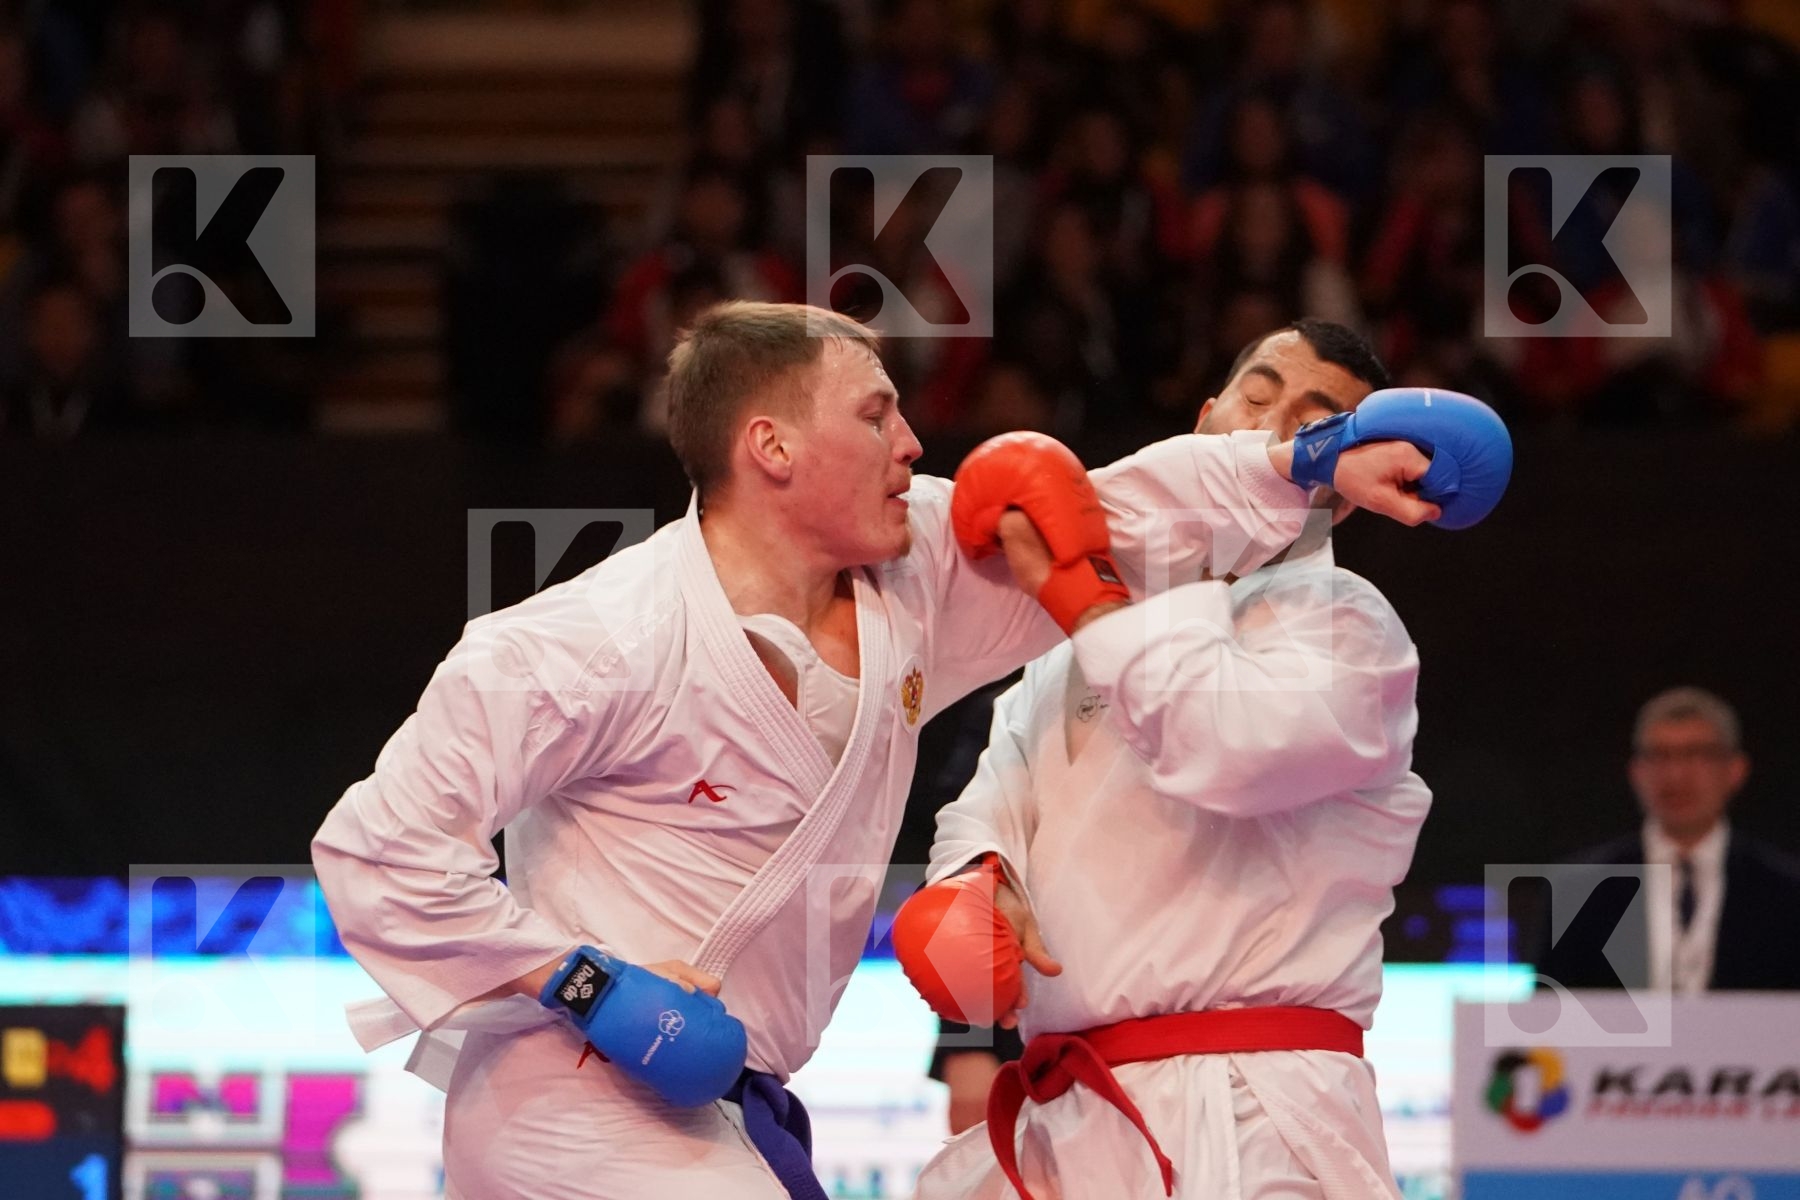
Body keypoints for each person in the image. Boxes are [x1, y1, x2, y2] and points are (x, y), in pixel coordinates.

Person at [311, 301, 1446, 1200]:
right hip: (570, 1092)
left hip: (723, 1097)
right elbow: (376, 850)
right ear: (773, 446)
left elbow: (1097, 518)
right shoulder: (580, 645)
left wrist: (1305, 469)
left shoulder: (913, 582)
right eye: (876, 415)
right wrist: (584, 980)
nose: (912, 442)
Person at [900, 320, 1449, 1200]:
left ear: (1346, 491)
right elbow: (993, 790)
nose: (1274, 427)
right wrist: (978, 872)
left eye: (1315, 423)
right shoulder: (1067, 644)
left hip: (1253, 1107)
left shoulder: (1350, 627)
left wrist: (1083, 600)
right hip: (1072, 1109)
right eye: (1258, 394)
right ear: (1205, 419)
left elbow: (1223, 747)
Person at [1535, 687, 1800, 993]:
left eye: (1697, 755)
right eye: (1659, 756)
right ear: (1636, 771)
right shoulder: (1579, 889)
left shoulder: (1786, 892)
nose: (1676, 775)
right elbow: (1547, 1017)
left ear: (1735, 770)